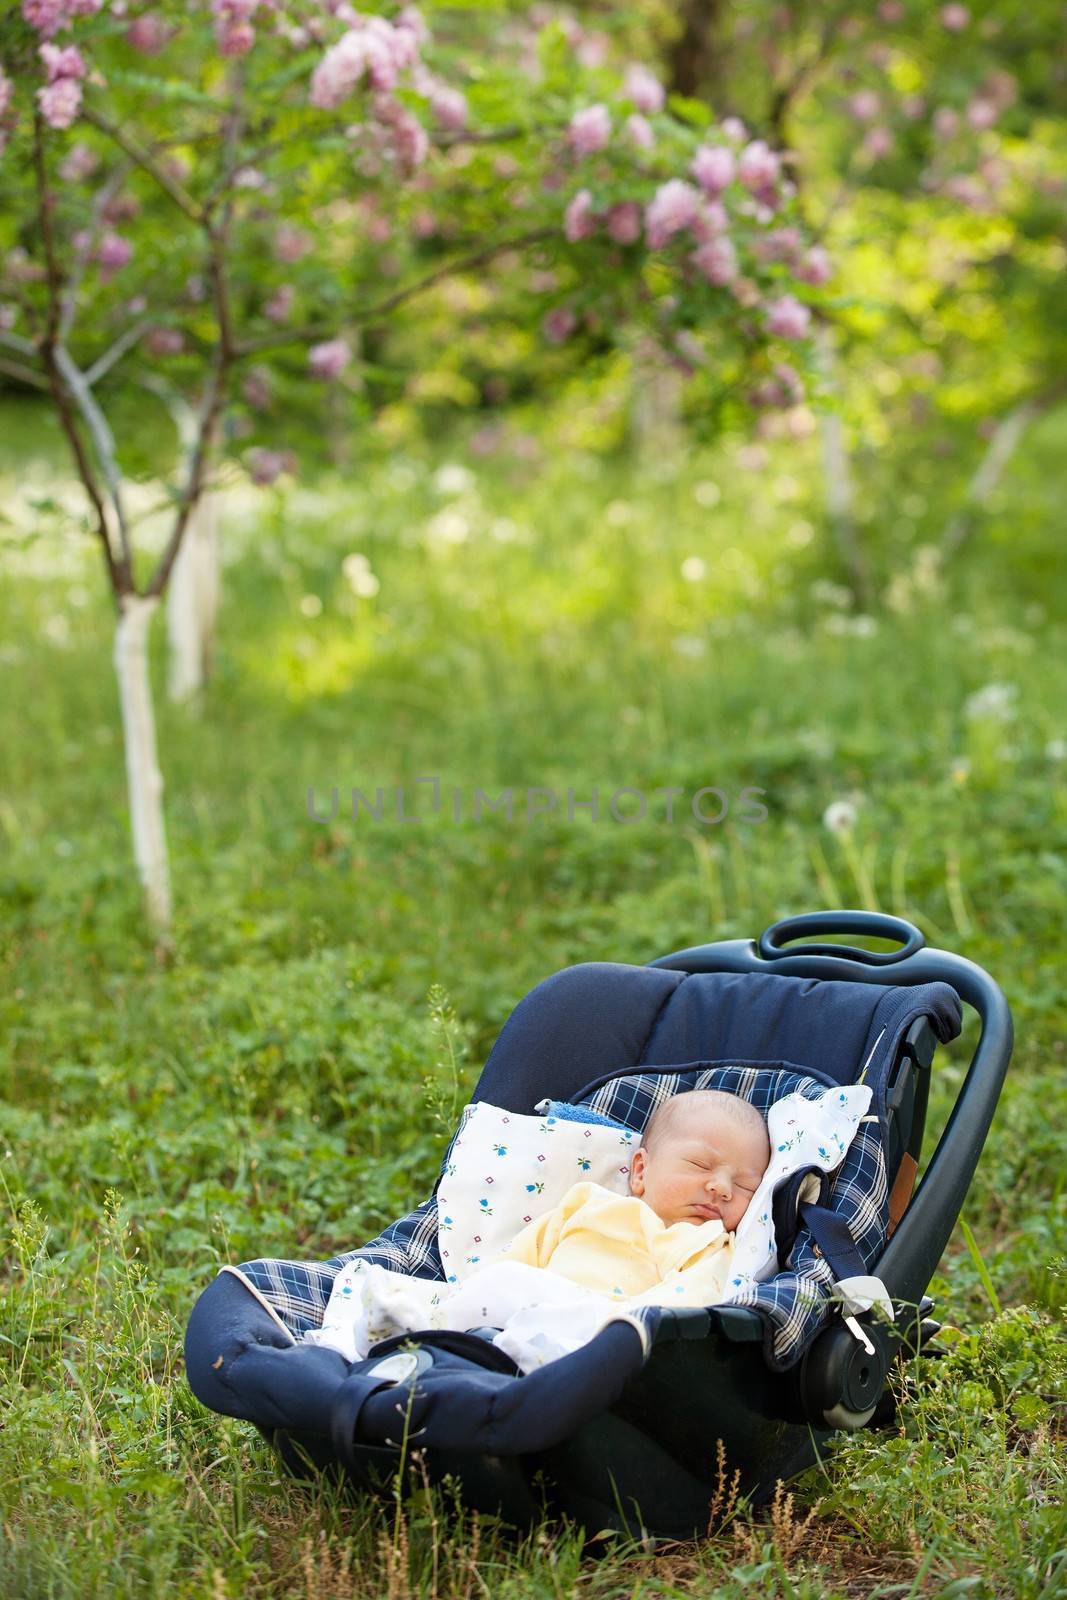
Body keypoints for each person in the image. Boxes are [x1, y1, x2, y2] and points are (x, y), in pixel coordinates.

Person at [498, 1089, 770, 1302]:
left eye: (745, 1186)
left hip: (607, 1332)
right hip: (529, 1305)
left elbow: (691, 1301)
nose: (722, 1188)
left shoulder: (709, 1245)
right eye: (700, 1164)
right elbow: (518, 1257)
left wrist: (623, 1327)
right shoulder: (587, 1202)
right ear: (641, 1170)